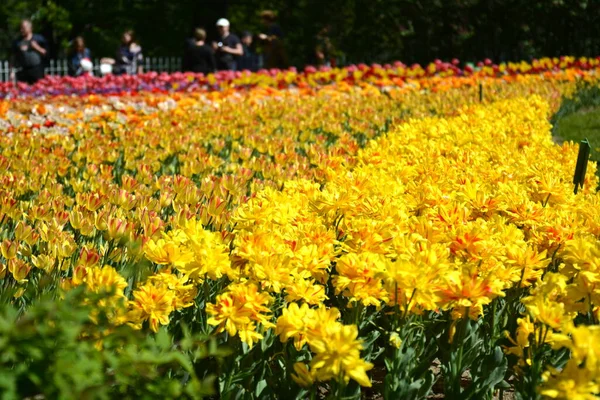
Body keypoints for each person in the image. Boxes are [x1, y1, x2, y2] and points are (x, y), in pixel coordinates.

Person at [9, 19, 48, 84]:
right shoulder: (17, 42)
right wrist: (11, 72)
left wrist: (36, 47)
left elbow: (45, 53)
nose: (21, 30)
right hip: (23, 70)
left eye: (23, 28)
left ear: (30, 28)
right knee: (23, 92)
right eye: (21, 28)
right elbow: (13, 57)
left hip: (37, 70)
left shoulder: (39, 39)